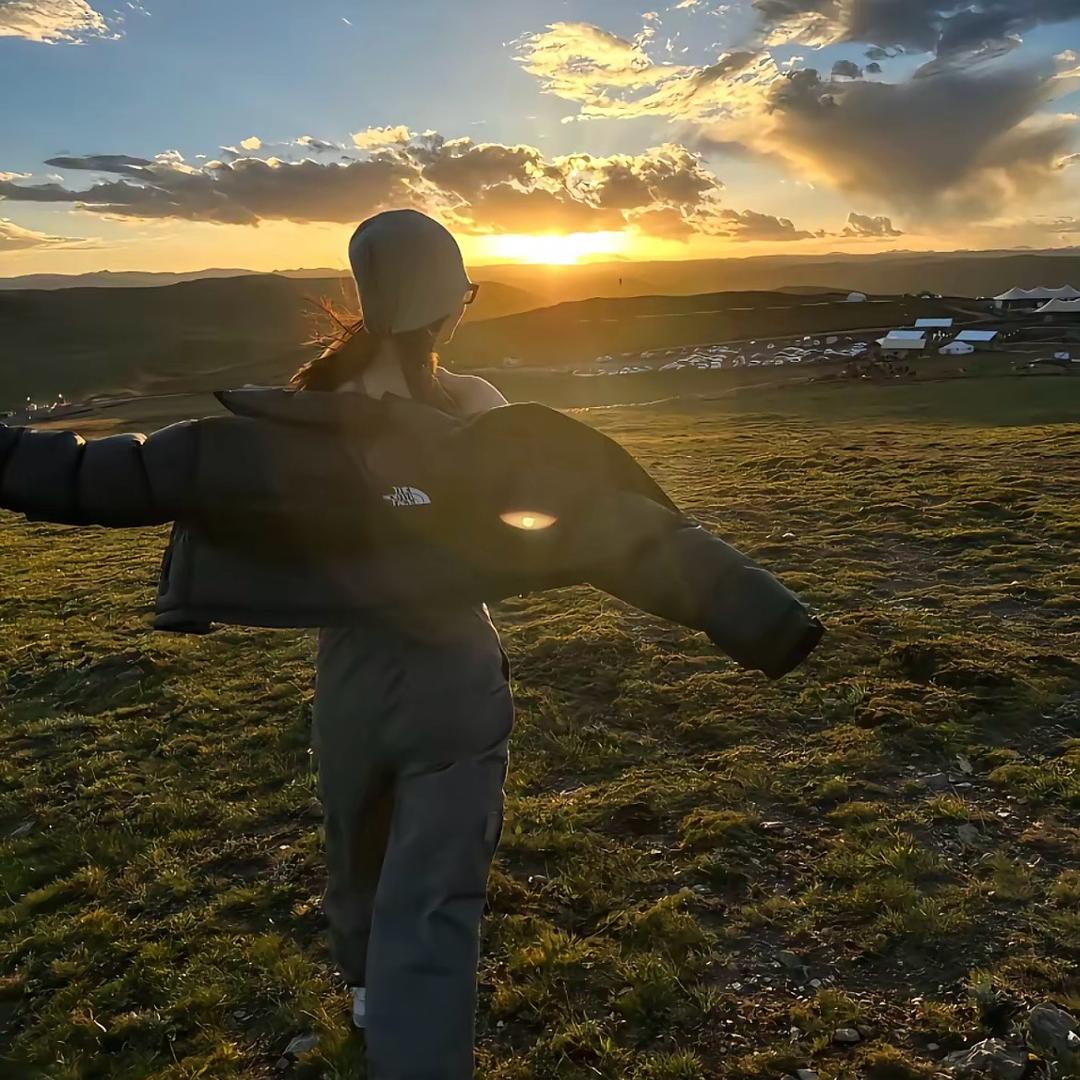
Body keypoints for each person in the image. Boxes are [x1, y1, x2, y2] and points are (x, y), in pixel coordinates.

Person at [293, 210, 513, 1079]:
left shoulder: (306, 408)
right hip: (456, 668)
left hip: (348, 671)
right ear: (450, 306)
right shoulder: (476, 403)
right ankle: (415, 1031)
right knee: (437, 887)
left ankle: (361, 987)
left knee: (355, 836)